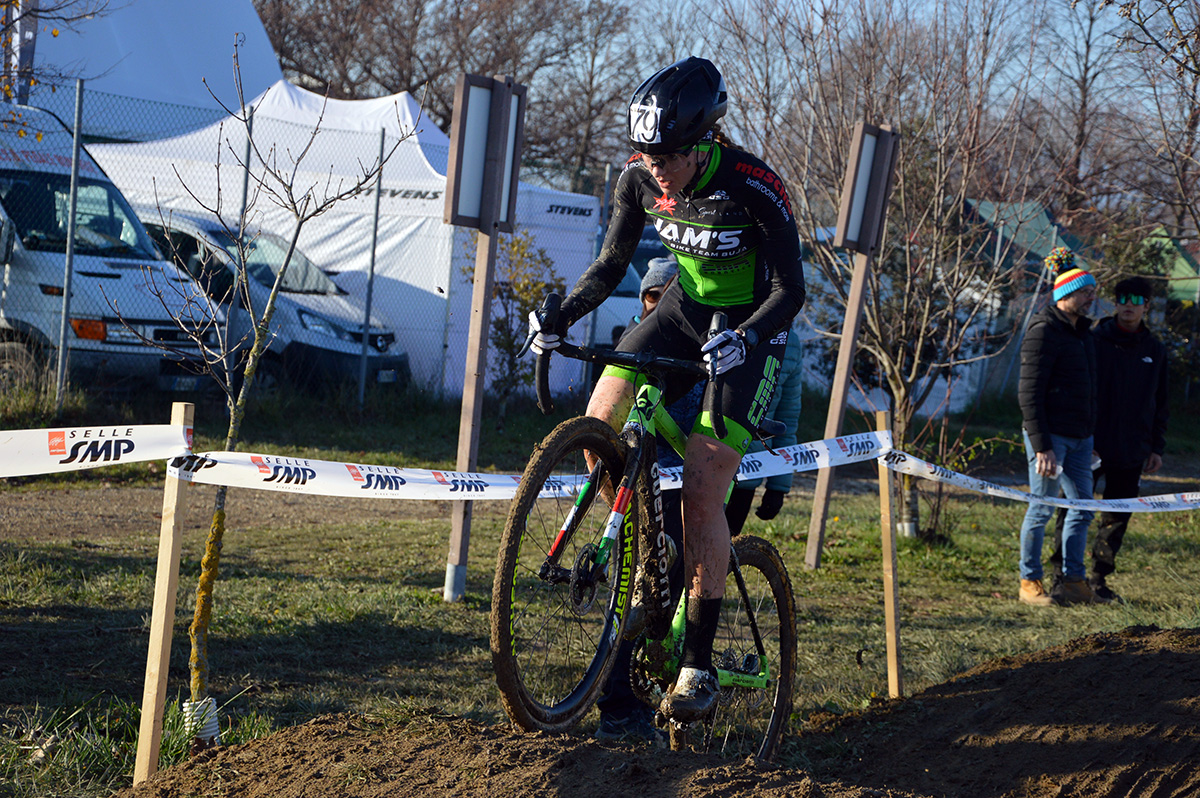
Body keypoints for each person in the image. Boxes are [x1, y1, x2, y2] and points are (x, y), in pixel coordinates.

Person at [529, 56, 805, 723]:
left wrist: (745, 337)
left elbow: (790, 290)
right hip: (682, 310)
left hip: (752, 323)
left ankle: (698, 668)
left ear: (706, 140)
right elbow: (610, 265)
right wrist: (560, 316)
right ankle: (638, 534)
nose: (657, 167)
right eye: (647, 153)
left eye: (670, 155)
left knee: (707, 483)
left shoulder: (751, 184)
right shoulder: (638, 178)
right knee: (600, 410)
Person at [1049, 275, 1169, 603]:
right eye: (1123, 299)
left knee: (1116, 517)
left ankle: (1099, 579)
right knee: (1073, 509)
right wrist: (1083, 436)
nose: (1129, 305)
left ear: (1146, 306)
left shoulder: (1155, 350)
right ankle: (1061, 577)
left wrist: (1156, 447)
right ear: (1114, 303)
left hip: (1132, 449)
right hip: (1087, 444)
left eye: (1136, 300)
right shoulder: (1092, 339)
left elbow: (1160, 401)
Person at [1015, 247, 1106, 607]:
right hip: (1050, 439)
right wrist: (1042, 446)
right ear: (1066, 294)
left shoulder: (1083, 334)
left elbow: (1089, 388)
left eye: (1092, 292)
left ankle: (1073, 581)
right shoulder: (1043, 331)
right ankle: (1029, 581)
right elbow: (1029, 393)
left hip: (1082, 439)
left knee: (1082, 509)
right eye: (1086, 292)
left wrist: (1091, 434)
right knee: (1041, 509)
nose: (1091, 299)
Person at [724, 330, 804, 535]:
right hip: (691, 465)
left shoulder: (791, 344)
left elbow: (786, 421)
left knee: (720, 557)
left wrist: (778, 486)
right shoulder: (719, 321)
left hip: (745, 475)